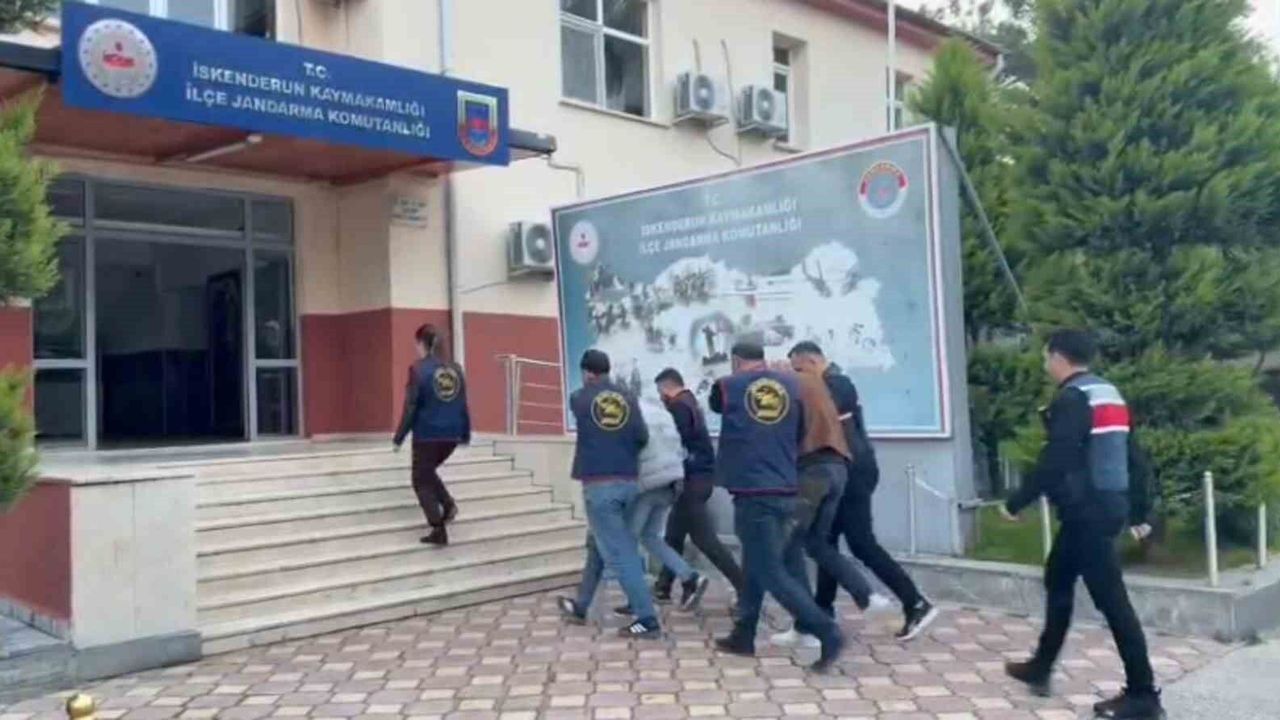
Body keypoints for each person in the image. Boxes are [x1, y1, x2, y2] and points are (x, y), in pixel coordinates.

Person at [1002, 330, 1162, 720]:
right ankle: (1041, 665)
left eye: (1046, 357)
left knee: (1113, 601)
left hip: (1088, 511)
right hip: (1101, 507)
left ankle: (1143, 695)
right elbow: (1134, 457)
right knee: (1057, 577)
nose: (1045, 364)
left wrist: (1017, 501)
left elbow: (1056, 458)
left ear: (1059, 358)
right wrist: (1139, 511)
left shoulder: (1072, 399)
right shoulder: (1107, 393)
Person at [788, 341, 938, 642]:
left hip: (853, 473)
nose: (798, 378)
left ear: (813, 362)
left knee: (861, 544)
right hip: (845, 471)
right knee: (826, 542)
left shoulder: (838, 384)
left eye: (799, 370)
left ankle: (915, 602)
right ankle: (822, 612)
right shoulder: (829, 384)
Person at [711, 341, 844, 672]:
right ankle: (744, 633)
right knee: (765, 562)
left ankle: (827, 631)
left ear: (736, 360)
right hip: (787, 485)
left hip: (753, 489)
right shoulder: (792, 385)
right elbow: (801, 429)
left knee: (769, 570)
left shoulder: (729, 385)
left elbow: (716, 404)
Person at [769, 357, 889, 649]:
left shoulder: (791, 387)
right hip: (837, 470)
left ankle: (810, 627)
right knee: (816, 542)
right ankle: (867, 596)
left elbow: (782, 433)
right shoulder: (821, 387)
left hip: (813, 473)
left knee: (789, 545)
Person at [557, 349, 662, 639]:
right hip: (628, 481)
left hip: (599, 484)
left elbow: (583, 412)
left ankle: (647, 619)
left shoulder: (580, 398)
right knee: (598, 545)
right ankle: (581, 606)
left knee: (620, 553)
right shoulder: (628, 397)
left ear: (586, 372)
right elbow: (642, 437)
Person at [652, 368, 746, 603]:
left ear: (666, 388)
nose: (660, 397)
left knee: (704, 540)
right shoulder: (690, 403)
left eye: (660, 392)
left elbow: (676, 442)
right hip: (698, 479)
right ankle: (663, 587)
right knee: (673, 536)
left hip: (692, 481)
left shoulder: (679, 407)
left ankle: (743, 586)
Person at [616, 395, 711, 615]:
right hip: (671, 481)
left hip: (647, 483)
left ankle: (637, 598)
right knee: (650, 536)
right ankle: (689, 577)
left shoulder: (631, 415)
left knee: (627, 541)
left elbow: (631, 449)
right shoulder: (662, 414)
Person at [392, 324, 471, 546]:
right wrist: (465, 433)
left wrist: (399, 437)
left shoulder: (418, 370)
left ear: (422, 344)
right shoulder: (456, 369)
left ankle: (438, 528)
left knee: (420, 479)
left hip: (428, 434)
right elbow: (463, 403)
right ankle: (448, 505)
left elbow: (411, 406)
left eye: (416, 344)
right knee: (426, 471)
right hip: (452, 435)